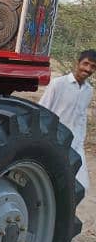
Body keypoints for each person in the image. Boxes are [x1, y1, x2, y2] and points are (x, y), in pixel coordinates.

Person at [39, 49, 96, 192]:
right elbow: (42, 111)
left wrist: (80, 141)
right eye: (86, 64)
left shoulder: (88, 90)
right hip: (54, 140)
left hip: (75, 144)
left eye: (93, 66)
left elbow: (81, 118)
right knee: (50, 182)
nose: (88, 69)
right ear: (77, 63)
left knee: (81, 186)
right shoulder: (58, 84)